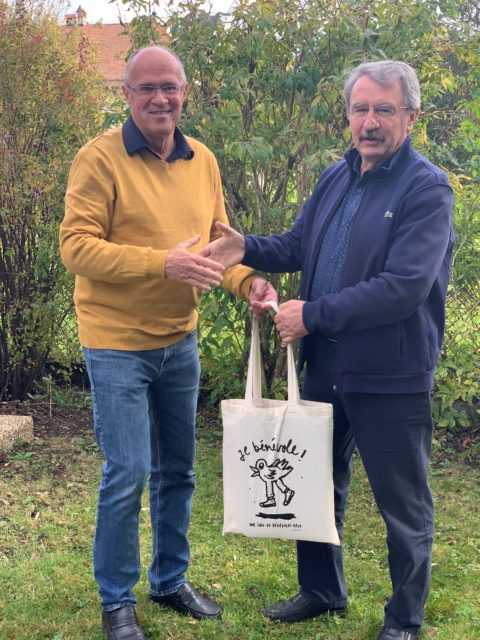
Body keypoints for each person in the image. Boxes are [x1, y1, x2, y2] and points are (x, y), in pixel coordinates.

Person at [200, 60, 454, 640]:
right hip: (326, 367)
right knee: (314, 485)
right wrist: (246, 247)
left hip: (390, 375)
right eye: (360, 109)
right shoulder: (336, 177)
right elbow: (299, 244)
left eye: (384, 109)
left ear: (411, 117)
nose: (370, 122)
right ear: (348, 115)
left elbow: (404, 287)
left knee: (403, 506)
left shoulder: (425, 188)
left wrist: (311, 315)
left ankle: (403, 619)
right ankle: (321, 591)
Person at [60, 45, 276, 640]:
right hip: (115, 343)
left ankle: (169, 579)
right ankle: (116, 599)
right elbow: (75, 247)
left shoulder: (202, 160)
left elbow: (216, 250)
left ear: (185, 93)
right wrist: (162, 263)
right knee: (129, 471)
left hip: (179, 342)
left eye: (170, 87)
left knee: (178, 470)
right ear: (126, 95)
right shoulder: (98, 158)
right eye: (147, 88)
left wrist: (249, 282)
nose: (160, 98)